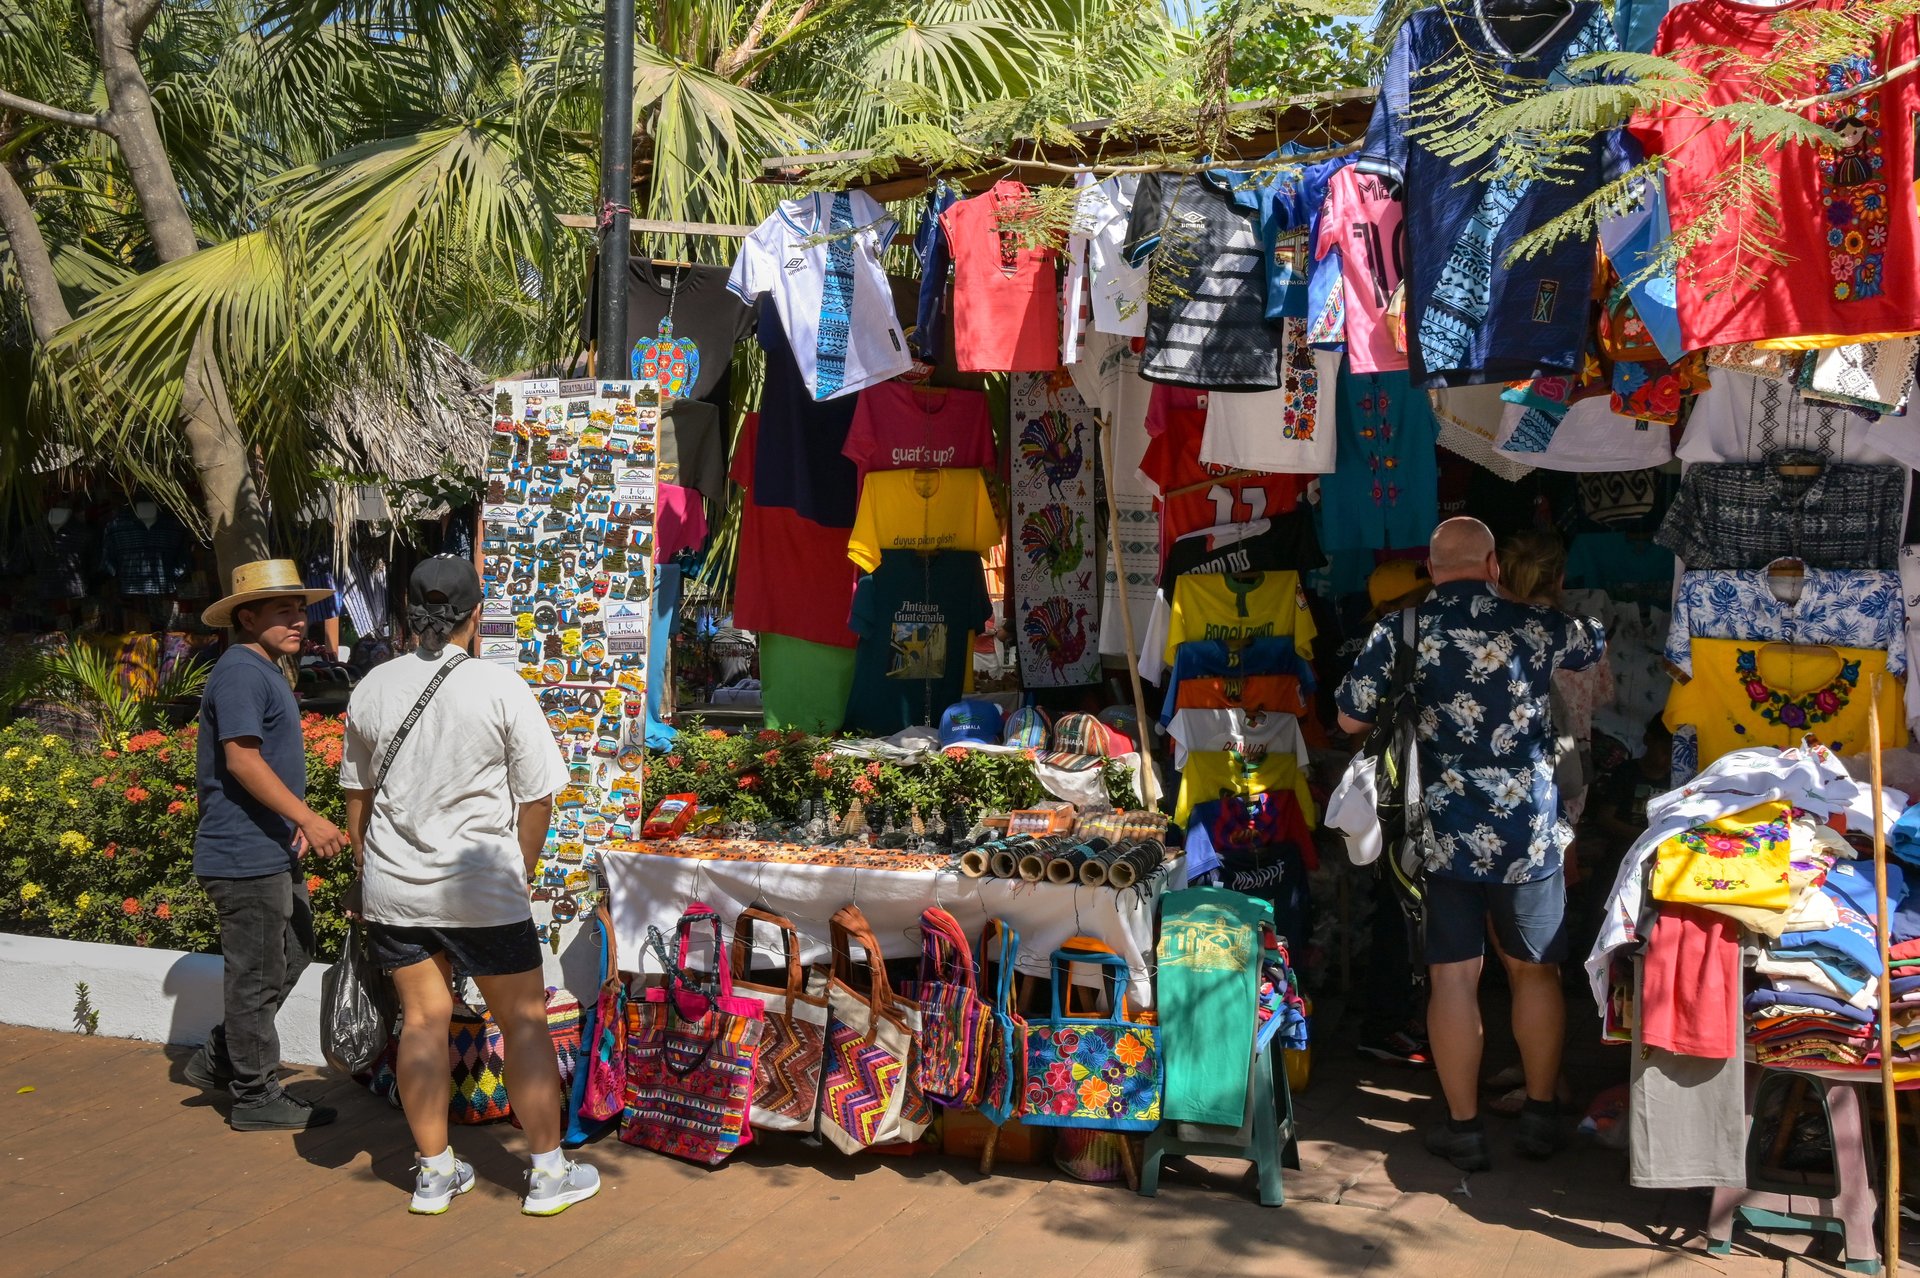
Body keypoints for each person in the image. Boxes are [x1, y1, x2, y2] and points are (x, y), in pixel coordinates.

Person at [1334, 518, 1605, 1170]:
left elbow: (1348, 716)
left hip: (1442, 830)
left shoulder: (1400, 630)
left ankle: (1465, 1128)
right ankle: (1540, 1116)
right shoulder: (1534, 626)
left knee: (1453, 978)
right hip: (1527, 831)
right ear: (1492, 564)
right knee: (1533, 969)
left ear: (1429, 569)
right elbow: (1591, 642)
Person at [339, 557, 598, 1217]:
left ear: (407, 612)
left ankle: (433, 1172)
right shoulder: (498, 686)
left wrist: (371, 876)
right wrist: (522, 868)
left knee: (420, 1023)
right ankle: (545, 1174)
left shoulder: (372, 685)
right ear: (475, 615)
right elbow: (537, 796)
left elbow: (357, 799)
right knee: (525, 1023)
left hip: (397, 889)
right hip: (482, 886)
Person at [185, 559, 348, 1131]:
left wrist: (290, 824)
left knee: (295, 947)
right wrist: (310, 817)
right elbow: (242, 759)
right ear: (246, 616)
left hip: (267, 847)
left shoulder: (261, 670)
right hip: (242, 853)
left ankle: (223, 1057)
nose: (298, 620)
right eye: (282, 610)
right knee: (255, 976)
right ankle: (255, 1095)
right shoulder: (241, 673)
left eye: (299, 609)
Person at [1348, 560, 1435, 1070]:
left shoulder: (1400, 646)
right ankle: (1384, 1024)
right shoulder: (1388, 648)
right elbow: (1353, 723)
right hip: (1397, 800)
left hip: (1401, 796)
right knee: (1397, 912)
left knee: (1403, 910)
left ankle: (1395, 1019)